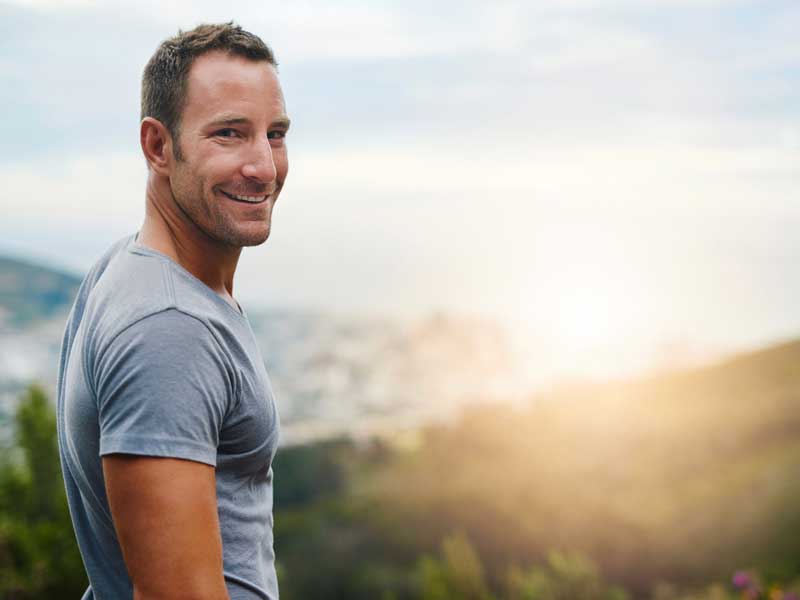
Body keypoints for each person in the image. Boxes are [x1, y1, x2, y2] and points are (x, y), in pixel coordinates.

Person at [56, 22, 289, 600]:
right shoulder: (169, 328)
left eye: (275, 134)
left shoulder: (136, 267)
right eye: (230, 134)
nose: (264, 165)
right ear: (159, 146)